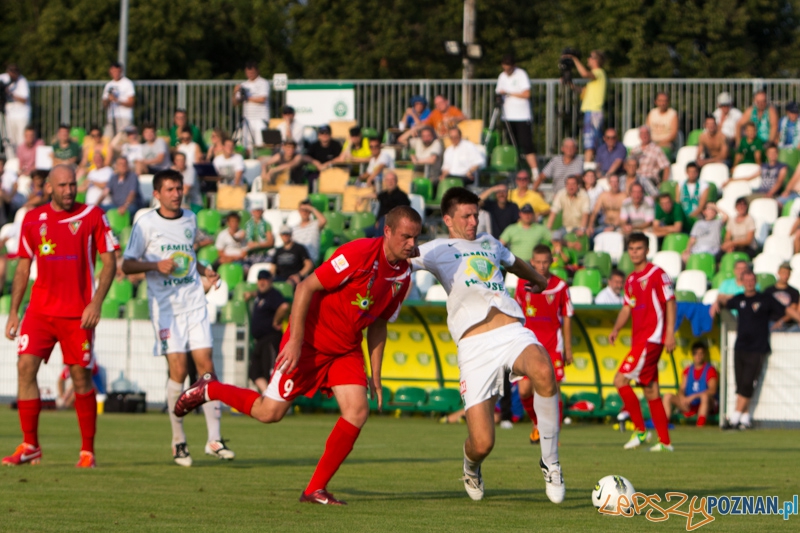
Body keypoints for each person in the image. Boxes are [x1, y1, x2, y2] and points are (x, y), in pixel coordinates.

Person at [174, 206, 421, 505]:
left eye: (415, 237)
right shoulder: (357, 254)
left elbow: (379, 322)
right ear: (388, 232)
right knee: (269, 413)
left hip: (346, 349)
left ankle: (315, 489)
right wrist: (294, 340)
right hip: (309, 344)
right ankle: (210, 387)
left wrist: (376, 374)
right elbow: (305, 287)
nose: (412, 243)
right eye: (406, 237)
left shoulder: (404, 274)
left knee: (357, 411)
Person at [410, 187, 564, 504]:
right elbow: (398, 258)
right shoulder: (437, 249)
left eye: (476, 215)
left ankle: (551, 464)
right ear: (449, 219)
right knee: (482, 444)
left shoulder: (490, 243)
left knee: (543, 370)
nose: (473, 221)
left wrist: (536, 278)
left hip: (510, 330)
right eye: (466, 216)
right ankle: (471, 467)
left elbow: (513, 261)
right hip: (473, 346)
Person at [2, 165, 118, 468]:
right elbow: (23, 268)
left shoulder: (92, 215)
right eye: (63, 185)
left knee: (80, 376)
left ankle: (87, 451)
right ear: (49, 188)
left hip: (78, 314)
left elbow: (110, 262)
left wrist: (96, 303)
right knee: (25, 367)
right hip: (39, 311)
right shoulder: (31, 219)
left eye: (72, 184)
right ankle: (30, 445)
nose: (69, 190)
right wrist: (14, 311)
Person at [122, 169, 235, 466]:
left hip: (194, 301)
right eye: (170, 189)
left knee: (206, 366)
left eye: (179, 188)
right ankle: (178, 441)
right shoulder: (145, 222)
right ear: (157, 194)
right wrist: (155, 265)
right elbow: (128, 264)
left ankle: (214, 439)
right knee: (179, 369)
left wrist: (204, 270)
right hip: (165, 308)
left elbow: (189, 256)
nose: (176, 193)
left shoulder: (190, 218)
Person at [608, 232, 676, 451]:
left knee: (620, 380)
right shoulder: (630, 280)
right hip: (640, 340)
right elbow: (627, 308)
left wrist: (670, 333)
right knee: (651, 391)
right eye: (631, 248)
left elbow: (670, 302)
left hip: (652, 338)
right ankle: (665, 442)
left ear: (647, 250)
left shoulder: (658, 274)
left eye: (639, 248)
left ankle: (640, 431)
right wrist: (617, 328)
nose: (635, 252)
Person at [711, 270, 800, 429]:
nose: (750, 283)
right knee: (740, 383)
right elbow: (724, 301)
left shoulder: (765, 299)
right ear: (743, 281)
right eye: (747, 280)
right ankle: (745, 419)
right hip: (740, 346)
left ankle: (734, 418)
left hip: (757, 347)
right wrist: (716, 303)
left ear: (756, 281)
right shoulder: (739, 299)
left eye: (752, 280)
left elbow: (786, 310)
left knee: (747, 382)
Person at [514, 245, 573, 444]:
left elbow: (567, 316)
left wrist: (568, 349)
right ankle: (537, 423)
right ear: (532, 261)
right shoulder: (522, 283)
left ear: (551, 261)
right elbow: (517, 314)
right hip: (529, 345)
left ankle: (554, 433)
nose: (541, 266)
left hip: (553, 346)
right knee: (524, 390)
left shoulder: (560, 286)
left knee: (553, 391)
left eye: (545, 262)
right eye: (537, 262)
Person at [244, 270, 290, 392]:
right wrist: (251, 294)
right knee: (254, 372)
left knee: (269, 370)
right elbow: (259, 294)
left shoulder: (273, 294)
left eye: (265, 279)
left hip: (270, 338)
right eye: (260, 280)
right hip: (259, 340)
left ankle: (275, 399)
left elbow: (284, 306)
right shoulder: (260, 295)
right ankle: (267, 395)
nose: (262, 282)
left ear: (270, 281)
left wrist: (276, 320)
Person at [496, 55, 538, 173]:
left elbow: (526, 94)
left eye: (508, 69)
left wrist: (509, 93)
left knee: (526, 144)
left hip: (522, 116)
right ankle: (513, 170)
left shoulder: (521, 74)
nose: (506, 71)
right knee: (510, 144)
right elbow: (499, 92)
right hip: (507, 116)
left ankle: (534, 171)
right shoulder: (502, 76)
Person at [563, 50, 606, 162]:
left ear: (596, 60)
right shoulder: (596, 77)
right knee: (592, 140)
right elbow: (583, 91)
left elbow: (584, 74)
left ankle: (588, 166)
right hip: (591, 111)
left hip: (593, 112)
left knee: (590, 141)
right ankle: (591, 164)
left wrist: (575, 59)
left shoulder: (598, 72)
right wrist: (570, 84)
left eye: (590, 57)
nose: (588, 59)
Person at [662, 342, 718, 427]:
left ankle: (700, 426)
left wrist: (694, 396)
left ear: (704, 354)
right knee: (667, 396)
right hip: (690, 404)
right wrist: (682, 397)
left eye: (701, 353)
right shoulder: (688, 370)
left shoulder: (710, 370)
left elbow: (712, 390)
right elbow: (682, 388)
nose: (698, 356)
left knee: (705, 397)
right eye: (696, 353)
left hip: (705, 404)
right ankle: (664, 424)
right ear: (692, 355)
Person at [360, 171, 411, 238]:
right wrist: (362, 197)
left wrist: (387, 217)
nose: (390, 182)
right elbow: (375, 195)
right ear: (385, 182)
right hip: (379, 224)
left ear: (396, 181)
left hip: (392, 226)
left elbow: (404, 213)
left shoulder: (402, 196)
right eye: (388, 180)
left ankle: (380, 244)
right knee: (360, 233)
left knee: (384, 219)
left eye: (392, 180)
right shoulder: (384, 194)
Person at [233, 61, 270, 151]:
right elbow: (235, 103)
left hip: (260, 118)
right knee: (247, 145)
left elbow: (262, 99)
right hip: (247, 119)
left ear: (257, 71)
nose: (250, 75)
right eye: (248, 73)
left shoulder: (263, 83)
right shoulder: (244, 85)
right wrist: (235, 92)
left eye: (252, 72)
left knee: (260, 144)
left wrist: (247, 97)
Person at [547, 175, 590, 241]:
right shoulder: (561, 194)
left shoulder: (584, 195)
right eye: (568, 184)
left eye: (573, 184)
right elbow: (553, 212)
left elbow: (585, 214)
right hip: (566, 227)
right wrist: (548, 229)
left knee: (581, 238)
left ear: (578, 185)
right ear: (565, 185)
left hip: (579, 227)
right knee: (554, 236)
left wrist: (582, 229)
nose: (571, 187)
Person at [630, 127, 670, 195]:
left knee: (642, 179)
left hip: (650, 179)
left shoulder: (656, 149)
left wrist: (663, 183)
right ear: (639, 136)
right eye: (642, 133)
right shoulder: (634, 150)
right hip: (636, 179)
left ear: (650, 135)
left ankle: (655, 195)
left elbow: (666, 167)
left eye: (646, 133)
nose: (644, 135)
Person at [0, 64, 30, 152]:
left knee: (21, 140)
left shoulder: (22, 81)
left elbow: (24, 99)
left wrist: (9, 93)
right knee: (8, 139)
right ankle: (11, 159)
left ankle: (20, 160)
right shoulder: (3, 78)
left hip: (21, 115)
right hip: (8, 114)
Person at [101, 61, 135, 138]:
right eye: (114, 71)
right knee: (107, 138)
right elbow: (104, 104)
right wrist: (108, 100)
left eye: (117, 71)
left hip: (124, 116)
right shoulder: (109, 85)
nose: (116, 73)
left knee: (122, 139)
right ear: (110, 71)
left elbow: (131, 102)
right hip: (111, 116)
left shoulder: (127, 83)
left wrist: (117, 100)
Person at [765, 263, 800, 331]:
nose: (786, 276)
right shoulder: (769, 291)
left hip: (788, 324)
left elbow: (793, 310)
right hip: (770, 321)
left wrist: (781, 321)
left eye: (788, 273)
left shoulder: (794, 292)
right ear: (778, 272)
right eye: (784, 272)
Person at [291, 200, 327, 264]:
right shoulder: (294, 228)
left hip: (310, 259)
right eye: (302, 210)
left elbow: (323, 221)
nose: (304, 212)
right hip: (296, 259)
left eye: (307, 210)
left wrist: (311, 208)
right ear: (299, 211)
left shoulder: (315, 224)